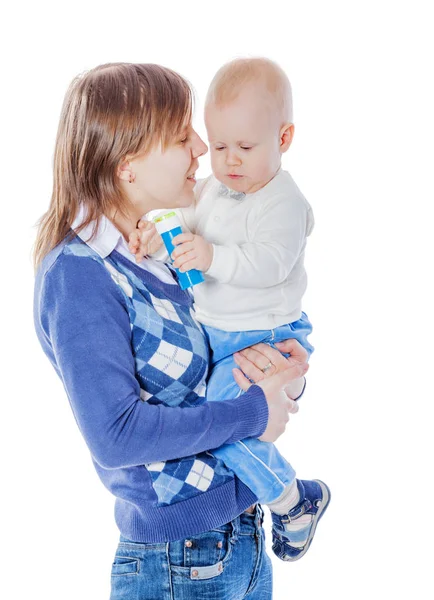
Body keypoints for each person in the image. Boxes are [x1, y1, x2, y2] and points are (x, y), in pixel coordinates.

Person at [33, 62, 311, 599]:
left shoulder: (160, 252)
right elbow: (116, 436)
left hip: (241, 537)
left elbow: (219, 363)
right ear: (127, 163)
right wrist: (253, 413)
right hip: (179, 560)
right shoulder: (79, 273)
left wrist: (284, 375)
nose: (203, 148)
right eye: (182, 135)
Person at [130, 57, 331, 562]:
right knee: (214, 421)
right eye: (218, 146)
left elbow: (269, 263)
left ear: (283, 139)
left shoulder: (282, 201)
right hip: (216, 332)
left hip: (259, 334)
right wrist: (155, 240)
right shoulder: (216, 188)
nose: (229, 161)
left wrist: (212, 255)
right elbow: (183, 227)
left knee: (227, 425)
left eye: (245, 147)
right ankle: (286, 492)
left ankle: (292, 501)